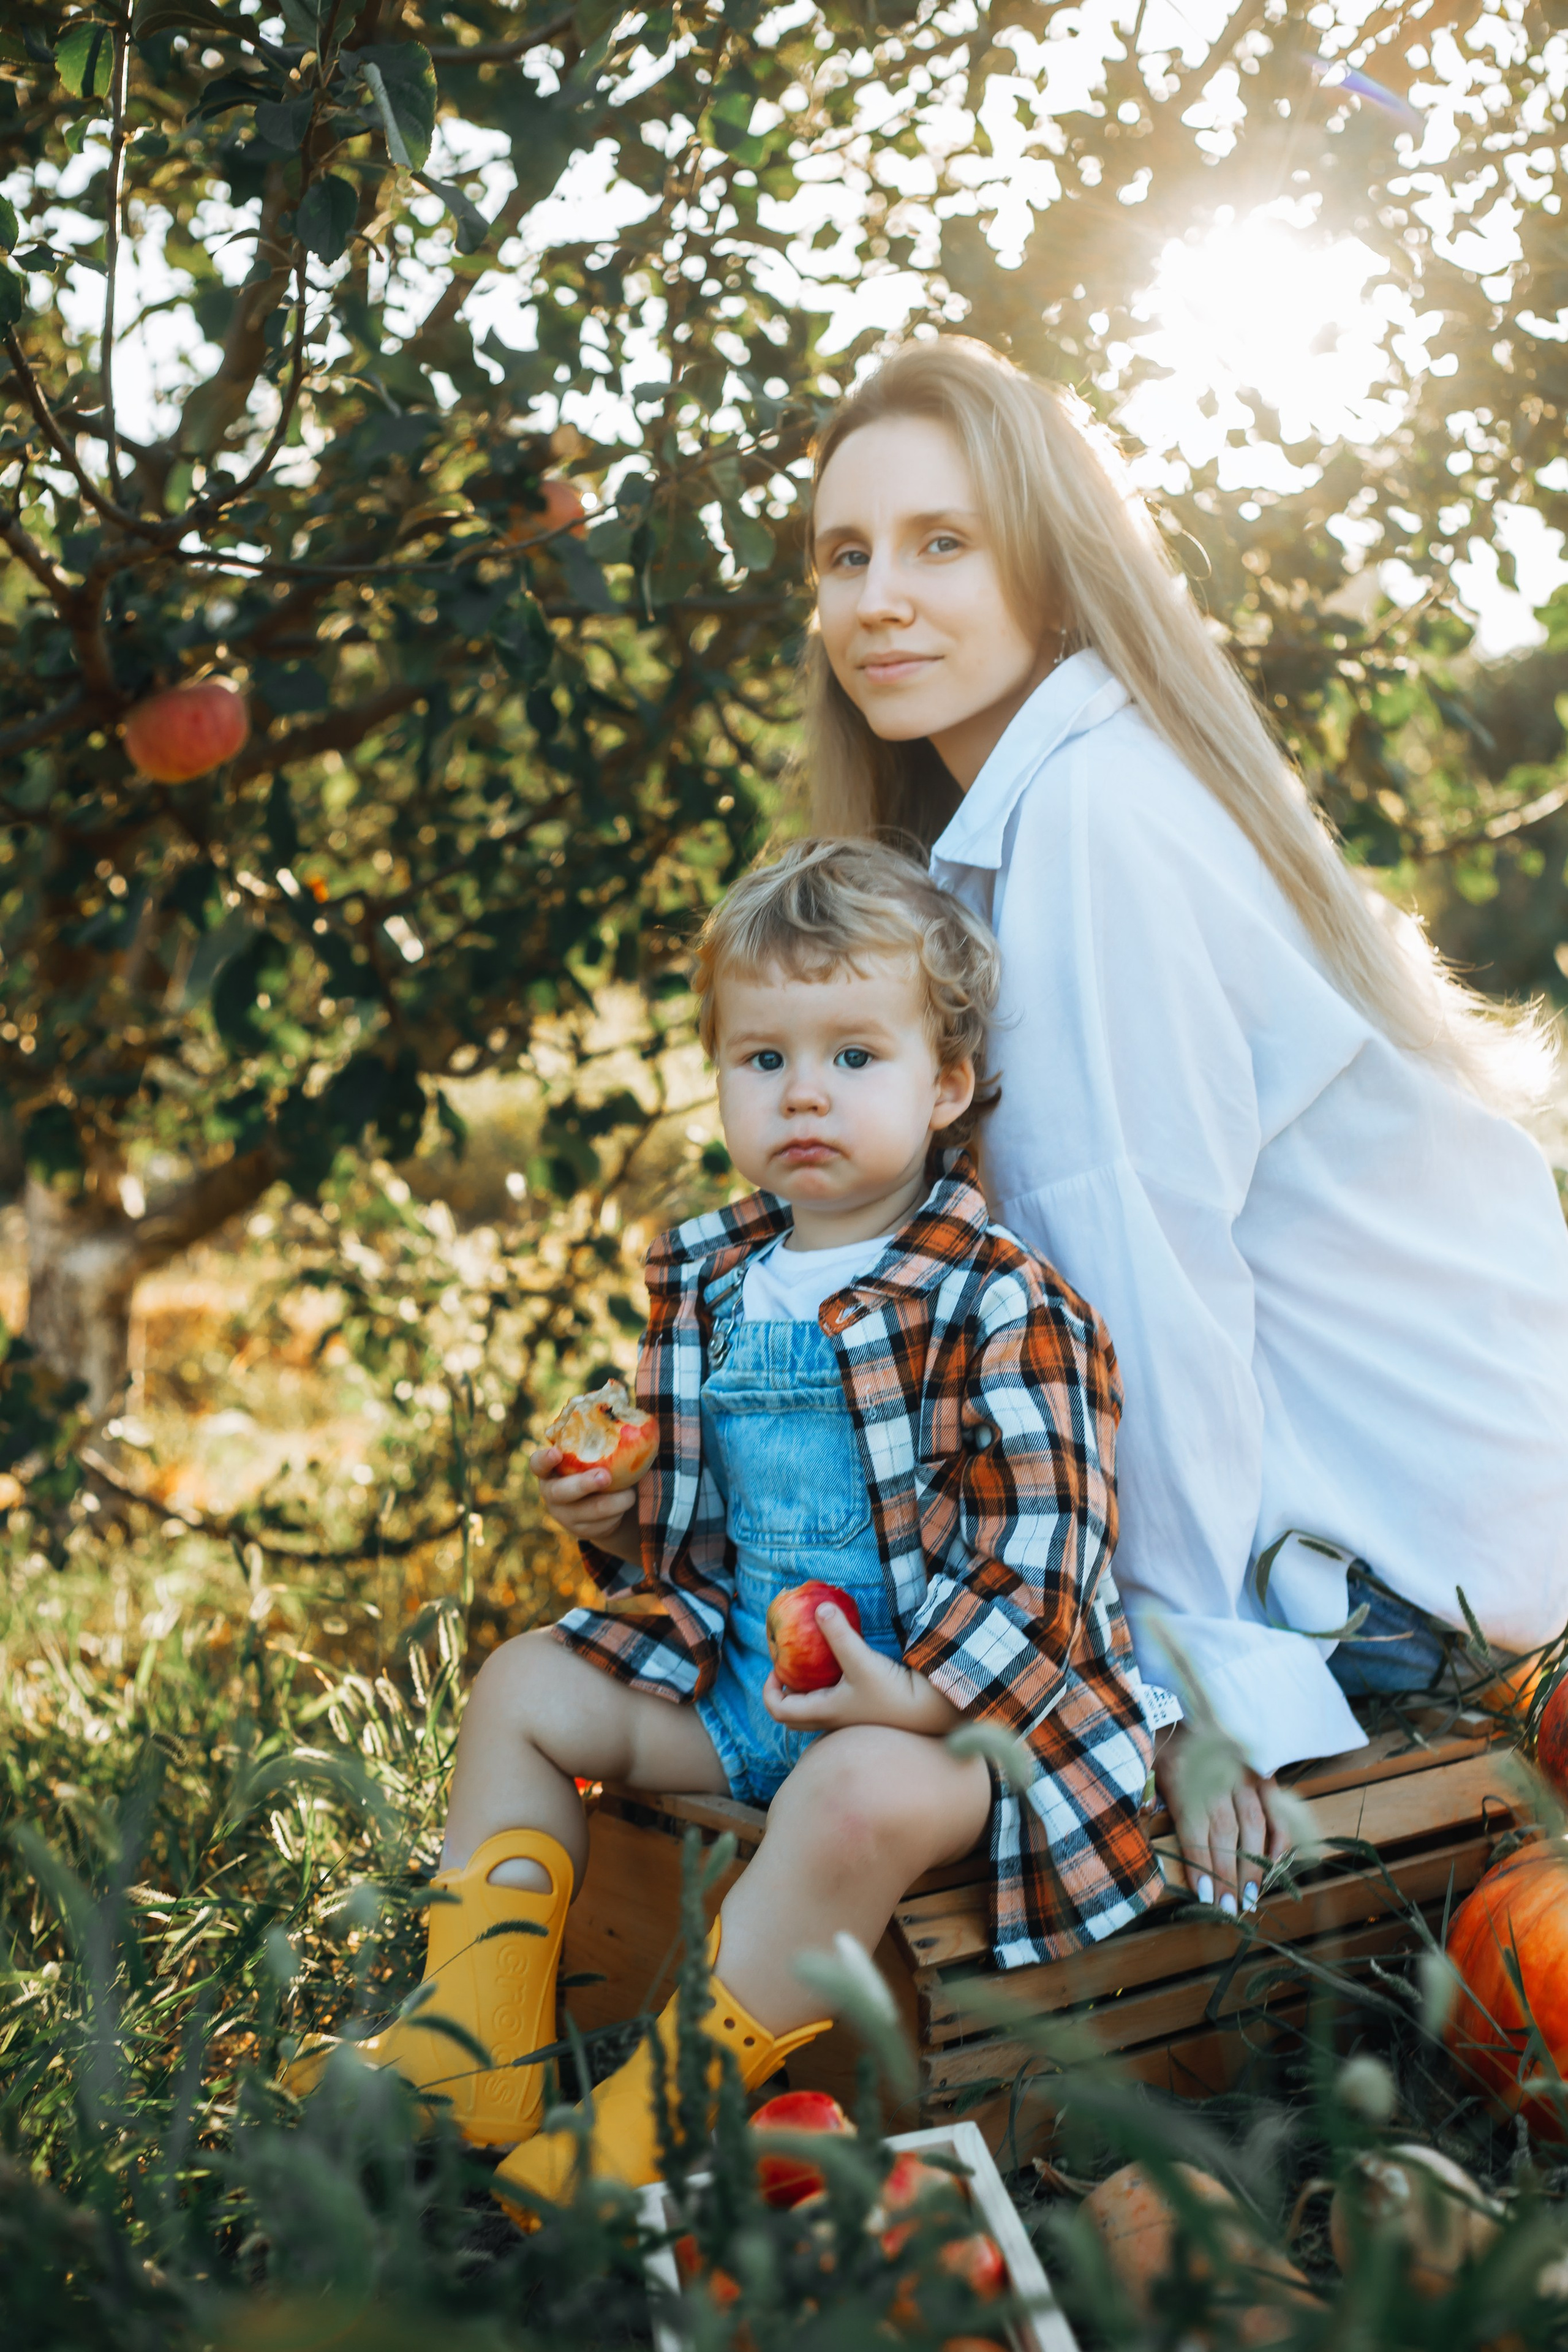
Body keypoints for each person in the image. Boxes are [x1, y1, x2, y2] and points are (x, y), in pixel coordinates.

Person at [286, 839, 1163, 2219]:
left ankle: (658, 2108)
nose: (801, 1091)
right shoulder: (712, 1279)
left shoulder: (997, 1301)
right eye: (761, 1060)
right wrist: (616, 1511)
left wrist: (917, 1691)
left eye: (852, 1058)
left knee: (857, 1790)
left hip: (959, 1719)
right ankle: (474, 2051)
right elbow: (689, 1542)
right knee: (522, 1684)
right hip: (752, 1687)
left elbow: (1046, 1557)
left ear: (944, 1087)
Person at [805, 334, 1568, 1920]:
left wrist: (1194, 1691)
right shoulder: (1021, 824)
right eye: (846, 554)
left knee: (846, 1698)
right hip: (1414, 1522)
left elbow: (1135, 1282)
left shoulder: (1095, 822)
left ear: (1057, 567)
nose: (880, 595)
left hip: (1384, 1575)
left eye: (944, 543)